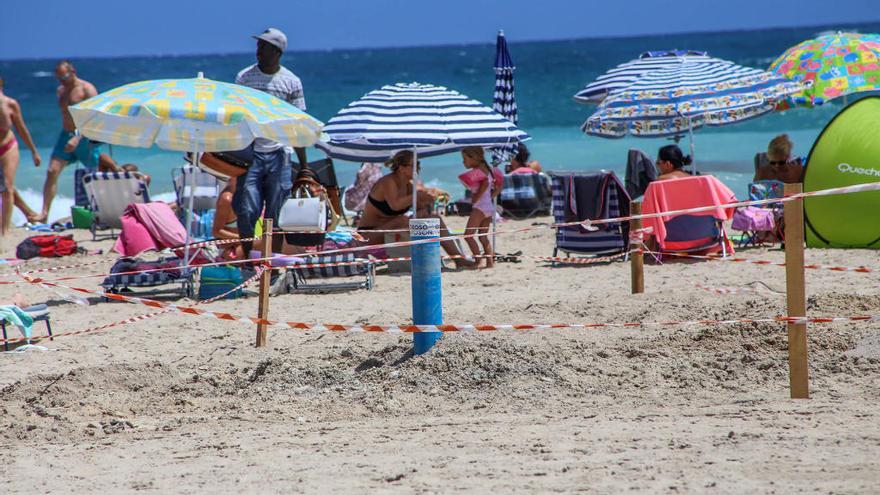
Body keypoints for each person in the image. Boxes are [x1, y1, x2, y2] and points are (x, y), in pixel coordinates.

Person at [234, 28, 308, 255]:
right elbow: (235, 117)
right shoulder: (244, 78)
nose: (258, 51)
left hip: (280, 154)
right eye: (258, 46)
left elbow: (298, 124)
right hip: (250, 153)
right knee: (247, 210)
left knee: (276, 213)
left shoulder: (291, 82)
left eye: (264, 47)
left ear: (277, 52)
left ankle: (271, 265)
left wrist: (304, 165)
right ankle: (247, 260)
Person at [358, 151, 473, 268]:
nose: (418, 167)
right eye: (414, 164)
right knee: (401, 220)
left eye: (418, 163)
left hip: (392, 234)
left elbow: (422, 210)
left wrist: (432, 199)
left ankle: (457, 259)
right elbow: (395, 205)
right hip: (369, 236)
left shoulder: (410, 185)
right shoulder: (388, 182)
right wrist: (418, 194)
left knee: (434, 219)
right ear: (402, 168)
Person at [30, 61, 106, 223]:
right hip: (66, 135)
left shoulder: (87, 89)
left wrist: (77, 137)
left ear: (73, 71)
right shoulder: (61, 90)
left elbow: (94, 119)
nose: (62, 81)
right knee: (52, 171)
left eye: (64, 76)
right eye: (59, 78)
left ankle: (99, 214)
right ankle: (44, 214)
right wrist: (70, 135)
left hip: (85, 137)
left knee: (93, 177)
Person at [0, 75, 41, 234]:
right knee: (3, 186)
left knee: (7, 188)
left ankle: (3, 232)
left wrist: (33, 151)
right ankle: (29, 213)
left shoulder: (10, 104)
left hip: (8, 147)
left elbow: (22, 128)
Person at [460, 146, 500, 268]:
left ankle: (478, 261)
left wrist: (475, 199)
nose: (463, 162)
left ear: (474, 158)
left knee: (468, 235)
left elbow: (485, 183)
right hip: (488, 206)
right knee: (483, 237)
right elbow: (497, 187)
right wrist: (489, 197)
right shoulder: (487, 168)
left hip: (480, 207)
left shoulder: (479, 170)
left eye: (465, 159)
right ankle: (490, 263)